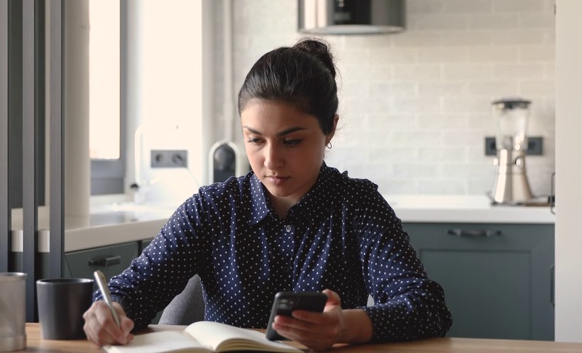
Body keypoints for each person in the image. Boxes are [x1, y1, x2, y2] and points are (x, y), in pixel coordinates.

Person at [83, 38, 452, 351]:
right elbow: (131, 290)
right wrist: (107, 309)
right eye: (255, 139)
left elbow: (428, 308)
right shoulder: (211, 209)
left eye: (291, 141)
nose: (271, 161)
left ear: (330, 129)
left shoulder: (356, 206)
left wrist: (344, 326)